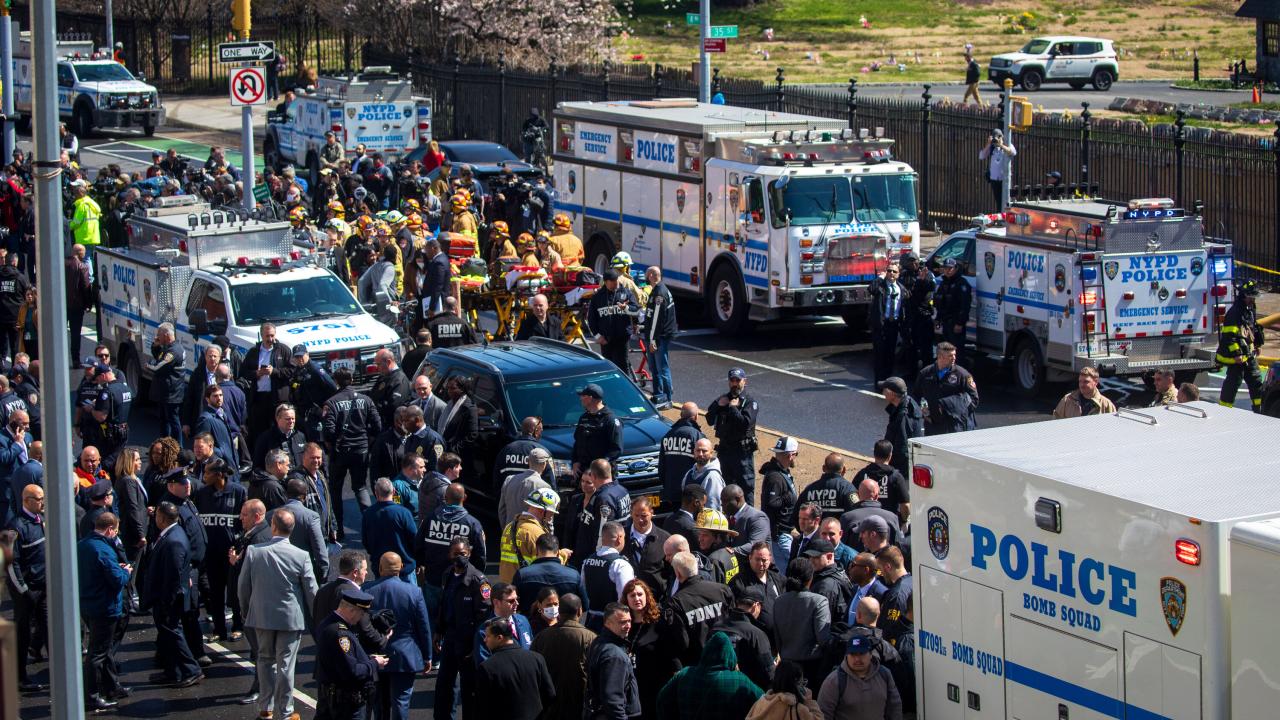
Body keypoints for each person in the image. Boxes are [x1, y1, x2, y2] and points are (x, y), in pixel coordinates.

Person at [364, 552, 433, 720]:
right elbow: (423, 626)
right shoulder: (414, 592)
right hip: (405, 655)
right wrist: (428, 656)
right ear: (401, 568)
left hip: (376, 654)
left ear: (380, 568)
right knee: (401, 702)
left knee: (379, 703)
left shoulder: (366, 590)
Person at [143, 501, 203, 688]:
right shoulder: (171, 534)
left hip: (169, 599)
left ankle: (191, 669)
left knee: (173, 634)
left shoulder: (174, 540)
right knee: (167, 635)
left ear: (161, 518)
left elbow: (174, 575)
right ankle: (172, 671)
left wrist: (166, 601)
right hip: (165, 596)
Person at [78, 512, 131, 712]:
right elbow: (117, 580)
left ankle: (111, 686)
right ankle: (91, 696)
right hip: (105, 607)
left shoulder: (82, 545)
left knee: (103, 650)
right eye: (115, 531)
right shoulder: (104, 550)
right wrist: (125, 572)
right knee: (98, 653)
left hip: (88, 604)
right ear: (110, 529)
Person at [435, 536, 491, 720]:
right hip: (450, 637)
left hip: (468, 643)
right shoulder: (448, 575)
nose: (460, 557)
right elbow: (443, 606)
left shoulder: (478, 581)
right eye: (456, 554)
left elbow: (484, 617)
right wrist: (439, 631)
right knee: (444, 685)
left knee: (469, 689)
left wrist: (476, 646)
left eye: (464, 553)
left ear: (470, 553)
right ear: (449, 555)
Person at [193, 457, 247, 641]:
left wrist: (238, 544)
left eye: (207, 473)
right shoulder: (201, 494)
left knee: (235, 591)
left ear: (219, 475)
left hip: (231, 553)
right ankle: (219, 629)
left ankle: (238, 626)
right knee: (215, 592)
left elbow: (244, 523)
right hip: (211, 553)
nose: (204, 476)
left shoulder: (238, 492)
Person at [313, 588, 387, 720]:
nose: (361, 618)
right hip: (346, 705)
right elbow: (353, 671)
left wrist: (366, 659)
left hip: (332, 699)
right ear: (352, 610)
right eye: (361, 613)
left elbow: (339, 660)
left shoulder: (327, 623)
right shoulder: (341, 634)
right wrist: (375, 663)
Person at [656, 631, 764, 720]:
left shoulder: (684, 674)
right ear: (730, 655)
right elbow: (763, 702)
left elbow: (662, 700)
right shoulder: (739, 679)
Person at [322, 367, 382, 525]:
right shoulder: (366, 400)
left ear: (336, 382)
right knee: (361, 487)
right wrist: (366, 440)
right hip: (361, 449)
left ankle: (338, 528)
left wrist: (332, 443)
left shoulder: (331, 403)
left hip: (339, 451)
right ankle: (371, 525)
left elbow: (329, 431)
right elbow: (377, 426)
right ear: (353, 380)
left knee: (335, 490)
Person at [658, 550, 735, 667]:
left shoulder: (675, 603)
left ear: (678, 574)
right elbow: (734, 623)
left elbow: (680, 643)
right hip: (727, 659)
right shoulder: (723, 590)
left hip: (698, 667)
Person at [473, 616, 557, 719]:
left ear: (499, 638)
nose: (485, 640)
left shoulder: (487, 668)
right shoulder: (536, 659)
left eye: (488, 636)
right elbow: (550, 694)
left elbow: (483, 707)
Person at [7, 483, 47, 691]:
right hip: (28, 590)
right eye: (39, 499)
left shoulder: (41, 520)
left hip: (43, 586)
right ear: (26, 501)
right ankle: (19, 677)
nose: (43, 502)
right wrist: (23, 591)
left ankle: (58, 672)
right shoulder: (15, 527)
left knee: (50, 627)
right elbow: (10, 563)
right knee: (22, 634)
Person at [533, 593, 597, 720]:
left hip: (549, 707)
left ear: (559, 611)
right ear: (580, 611)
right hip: (580, 706)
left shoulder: (541, 637)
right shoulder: (591, 638)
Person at [816, 629, 903, 720]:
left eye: (861, 654)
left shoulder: (884, 674)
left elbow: (894, 706)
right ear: (846, 656)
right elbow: (824, 713)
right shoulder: (834, 681)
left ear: (870, 654)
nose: (857, 659)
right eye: (853, 654)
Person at [313, 549, 388, 653]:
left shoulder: (322, 591)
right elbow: (365, 628)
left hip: (325, 652)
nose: (366, 572)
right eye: (365, 569)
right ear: (355, 572)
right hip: (348, 653)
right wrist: (383, 640)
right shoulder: (355, 596)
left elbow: (316, 621)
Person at [772, 559, 831, 690]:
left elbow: (777, 638)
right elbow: (824, 639)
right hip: (811, 668)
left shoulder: (779, 601)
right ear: (810, 578)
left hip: (786, 666)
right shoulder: (819, 601)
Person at [706, 368, 760, 504]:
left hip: (742, 454)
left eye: (738, 380)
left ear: (744, 381)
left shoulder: (749, 402)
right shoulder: (723, 398)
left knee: (745, 489)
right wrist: (718, 406)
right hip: (725, 451)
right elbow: (709, 419)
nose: (735, 383)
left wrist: (733, 408)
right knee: (724, 488)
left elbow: (745, 424)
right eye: (732, 380)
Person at [419, 481, 487, 586]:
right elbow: (480, 556)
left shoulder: (430, 519)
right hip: (461, 583)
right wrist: (474, 577)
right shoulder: (473, 524)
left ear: (445, 497)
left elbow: (418, 546)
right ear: (464, 497)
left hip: (433, 579)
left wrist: (423, 566)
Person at [580, 602, 641, 719]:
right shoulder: (614, 656)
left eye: (629, 621)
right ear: (608, 623)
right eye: (622, 622)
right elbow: (612, 699)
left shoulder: (599, 642)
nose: (628, 625)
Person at [711, 586, 775, 690]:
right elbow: (770, 674)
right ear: (756, 605)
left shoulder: (716, 627)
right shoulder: (756, 635)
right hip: (745, 693)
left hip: (716, 689)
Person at [1217, 279, 1265, 412]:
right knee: (1233, 384)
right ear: (1244, 295)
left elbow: (1252, 328)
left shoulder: (1250, 309)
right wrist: (1237, 354)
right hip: (1237, 358)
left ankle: (1259, 409)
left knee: (1256, 381)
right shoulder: (1234, 313)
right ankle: (1224, 410)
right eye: (1251, 297)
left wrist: (1257, 344)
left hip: (1248, 354)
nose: (1253, 300)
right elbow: (1228, 337)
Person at [573, 459, 631, 567]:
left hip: (603, 559)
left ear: (593, 476)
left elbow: (602, 531)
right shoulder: (622, 490)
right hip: (618, 551)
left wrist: (597, 559)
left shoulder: (604, 498)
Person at [239, 322, 292, 439]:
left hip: (278, 399)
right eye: (267, 336)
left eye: (272, 335)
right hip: (259, 398)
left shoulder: (283, 350)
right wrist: (256, 373)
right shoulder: (253, 352)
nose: (270, 339)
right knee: (260, 432)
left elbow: (291, 371)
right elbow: (243, 372)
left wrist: (274, 372)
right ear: (261, 335)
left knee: (280, 430)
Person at [913, 341, 978, 434]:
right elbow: (917, 395)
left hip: (955, 425)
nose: (954, 358)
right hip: (933, 424)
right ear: (940, 357)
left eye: (954, 355)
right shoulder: (925, 374)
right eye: (950, 356)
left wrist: (956, 412)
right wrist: (924, 412)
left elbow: (973, 399)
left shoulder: (962, 375)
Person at [363, 478, 418, 579]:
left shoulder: (368, 514)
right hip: (404, 569)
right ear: (393, 491)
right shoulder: (404, 513)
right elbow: (414, 539)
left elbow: (366, 542)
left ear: (376, 493)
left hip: (380, 568)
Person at [586, 268, 637, 372]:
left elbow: (636, 310)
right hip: (606, 339)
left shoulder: (626, 293)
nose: (616, 284)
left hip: (622, 338)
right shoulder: (597, 297)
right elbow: (591, 319)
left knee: (623, 365)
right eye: (612, 282)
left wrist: (626, 308)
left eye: (617, 281)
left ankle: (624, 388)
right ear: (606, 282)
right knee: (608, 366)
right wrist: (598, 336)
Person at [581, 521, 635, 613]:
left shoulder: (587, 561)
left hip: (590, 619)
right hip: (613, 620)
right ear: (619, 538)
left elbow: (582, 590)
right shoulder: (620, 564)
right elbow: (625, 597)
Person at [760, 436, 799, 563]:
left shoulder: (783, 472)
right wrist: (786, 498)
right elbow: (771, 503)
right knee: (787, 568)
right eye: (796, 454)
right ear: (790, 455)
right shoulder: (775, 477)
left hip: (783, 533)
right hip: (779, 535)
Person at [622, 496, 671, 597]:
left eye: (644, 516)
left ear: (652, 513)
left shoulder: (665, 539)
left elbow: (671, 573)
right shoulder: (621, 536)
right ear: (631, 514)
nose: (640, 520)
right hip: (629, 599)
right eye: (636, 515)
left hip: (657, 600)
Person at [146, 323, 186, 444]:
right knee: (164, 420)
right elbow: (158, 356)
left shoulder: (174, 351)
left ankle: (178, 448)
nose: (157, 337)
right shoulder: (168, 347)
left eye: (159, 335)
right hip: (166, 392)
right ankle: (165, 445)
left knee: (173, 421)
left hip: (172, 394)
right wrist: (156, 345)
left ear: (166, 335)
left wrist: (148, 364)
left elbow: (158, 367)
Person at [642, 266, 678, 402]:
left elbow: (657, 319)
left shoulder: (659, 293)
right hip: (656, 337)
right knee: (654, 368)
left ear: (651, 275)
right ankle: (658, 395)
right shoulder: (657, 290)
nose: (645, 278)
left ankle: (668, 399)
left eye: (647, 275)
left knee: (662, 369)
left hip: (659, 338)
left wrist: (652, 341)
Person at [572, 383, 623, 478]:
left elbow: (616, 449)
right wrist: (575, 462)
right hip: (583, 472)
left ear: (590, 398)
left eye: (583, 396)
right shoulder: (584, 417)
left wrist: (598, 466)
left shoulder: (610, 419)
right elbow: (577, 442)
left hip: (602, 474)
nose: (580, 399)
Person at [878, 376, 923, 481]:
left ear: (892, 394)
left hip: (902, 470)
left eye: (885, 390)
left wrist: (893, 470)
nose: (883, 392)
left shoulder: (903, 416)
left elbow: (902, 447)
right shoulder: (908, 402)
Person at [658, 401, 703, 507]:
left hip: (672, 493)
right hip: (691, 494)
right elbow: (703, 466)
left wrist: (667, 489)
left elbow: (661, 467)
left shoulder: (667, 436)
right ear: (696, 416)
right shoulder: (698, 436)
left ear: (681, 415)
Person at [746, 659, 823, 720]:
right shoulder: (797, 709)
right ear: (796, 684)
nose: (804, 687)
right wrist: (809, 700)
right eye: (802, 683)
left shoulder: (761, 702)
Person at [868, 261, 905, 383]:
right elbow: (871, 289)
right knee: (880, 354)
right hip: (881, 325)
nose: (891, 273)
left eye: (894, 271)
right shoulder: (880, 286)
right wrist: (880, 277)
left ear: (898, 274)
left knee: (890, 354)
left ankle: (888, 381)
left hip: (893, 325)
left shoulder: (901, 288)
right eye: (889, 271)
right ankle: (879, 381)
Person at [499, 447, 553, 529]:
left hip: (509, 534)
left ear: (528, 462)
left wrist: (506, 530)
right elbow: (547, 519)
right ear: (544, 464)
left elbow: (502, 511)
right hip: (531, 536)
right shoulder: (545, 487)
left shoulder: (509, 479)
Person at [933, 259, 972, 364]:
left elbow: (965, 305)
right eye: (946, 268)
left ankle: (959, 375)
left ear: (955, 269)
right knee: (946, 350)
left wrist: (960, 323)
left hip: (955, 323)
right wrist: (938, 319)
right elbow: (941, 303)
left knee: (957, 351)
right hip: (946, 322)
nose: (948, 270)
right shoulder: (944, 283)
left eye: (950, 268)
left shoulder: (961, 283)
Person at [876, 547, 913, 647]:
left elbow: (889, 631)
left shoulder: (896, 595)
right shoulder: (914, 582)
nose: (880, 574)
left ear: (888, 567)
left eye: (880, 569)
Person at [0, 251, 31, 365]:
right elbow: (28, 293)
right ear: (14, 262)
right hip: (15, 316)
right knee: (15, 345)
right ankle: (14, 368)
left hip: (1, 315)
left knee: (1, 344)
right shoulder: (20, 277)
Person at [722, 484, 770, 556]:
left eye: (725, 501)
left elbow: (755, 545)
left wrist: (730, 552)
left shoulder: (757, 517)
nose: (722, 504)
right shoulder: (728, 518)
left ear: (738, 500)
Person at [1052, 366, 1117, 419]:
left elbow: (1113, 427)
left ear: (1096, 382)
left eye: (1086, 382)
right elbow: (1056, 420)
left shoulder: (1106, 405)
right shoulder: (1067, 400)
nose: (1081, 385)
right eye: (1080, 381)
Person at [978, 128, 1016, 209]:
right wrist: (988, 144)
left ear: (1001, 137)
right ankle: (1000, 218)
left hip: (1005, 180)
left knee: (1006, 202)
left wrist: (1001, 145)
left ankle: (1004, 217)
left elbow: (1012, 152)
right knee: (998, 202)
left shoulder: (1007, 144)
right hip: (994, 179)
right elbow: (981, 156)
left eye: (998, 137)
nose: (996, 140)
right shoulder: (992, 147)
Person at [684, 438, 725, 510]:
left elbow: (714, 508)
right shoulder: (689, 474)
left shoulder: (713, 476)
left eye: (704, 451)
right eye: (698, 450)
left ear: (711, 453)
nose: (700, 454)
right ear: (694, 452)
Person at [663, 483, 706, 549]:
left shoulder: (668, 520)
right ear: (696, 503)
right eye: (703, 505)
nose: (704, 508)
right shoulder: (693, 528)